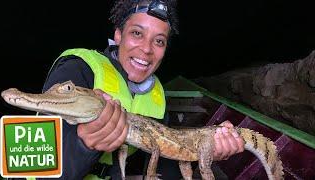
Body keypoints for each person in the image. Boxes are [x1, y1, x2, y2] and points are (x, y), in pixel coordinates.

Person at [41, 0, 245, 179]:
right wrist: (82, 145)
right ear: (119, 35)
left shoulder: (155, 95)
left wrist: (206, 151)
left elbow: (161, 168)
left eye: (159, 41)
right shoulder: (77, 70)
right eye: (137, 33)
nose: (147, 49)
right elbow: (25, 171)